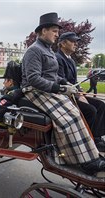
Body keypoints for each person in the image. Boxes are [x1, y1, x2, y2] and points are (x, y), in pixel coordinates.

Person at [21, 12, 105, 175]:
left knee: (76, 112)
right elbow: (33, 79)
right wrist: (59, 89)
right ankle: (82, 161)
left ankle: (91, 156)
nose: (57, 34)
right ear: (43, 31)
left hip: (46, 89)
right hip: (34, 91)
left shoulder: (48, 50)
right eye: (54, 30)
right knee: (69, 117)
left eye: (57, 31)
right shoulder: (34, 50)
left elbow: (54, 75)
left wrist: (65, 83)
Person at [56, 32, 105, 152]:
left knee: (101, 105)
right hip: (65, 96)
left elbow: (74, 81)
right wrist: (78, 96)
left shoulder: (71, 60)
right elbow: (62, 81)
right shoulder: (57, 58)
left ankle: (96, 137)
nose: (75, 44)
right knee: (91, 110)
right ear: (63, 43)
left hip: (74, 93)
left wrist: (81, 91)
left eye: (76, 42)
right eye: (72, 41)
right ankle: (85, 140)